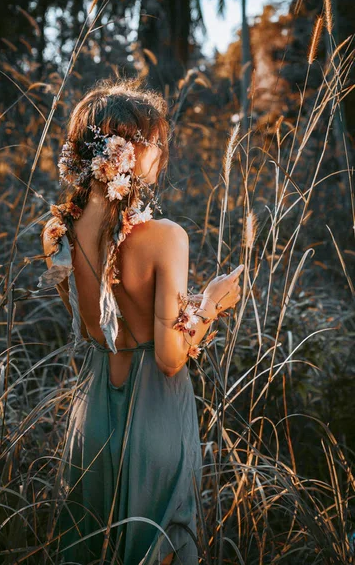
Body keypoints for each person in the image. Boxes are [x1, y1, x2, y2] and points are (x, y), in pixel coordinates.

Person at [38, 76, 243, 564]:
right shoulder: (165, 237)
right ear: (126, 151)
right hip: (154, 416)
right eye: (154, 141)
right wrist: (211, 301)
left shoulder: (57, 233)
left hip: (94, 421)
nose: (159, 152)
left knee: (92, 548)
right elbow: (171, 356)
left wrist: (178, 304)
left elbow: (98, 326)